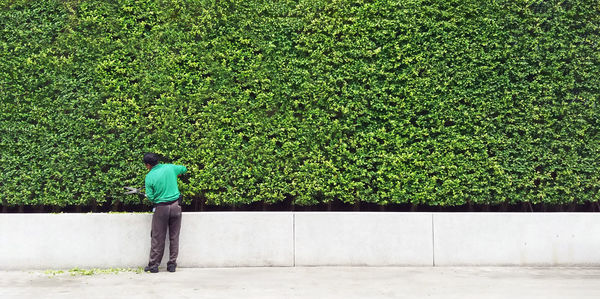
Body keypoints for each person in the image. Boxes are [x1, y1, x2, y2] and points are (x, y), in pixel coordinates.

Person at [142, 153, 187, 273]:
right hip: (176, 207)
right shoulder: (170, 167)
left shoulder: (149, 176)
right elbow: (184, 168)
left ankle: (154, 265)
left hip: (161, 209)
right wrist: (177, 174)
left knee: (157, 237)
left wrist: (152, 196)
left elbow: (151, 197)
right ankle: (172, 265)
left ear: (148, 165)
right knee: (174, 237)